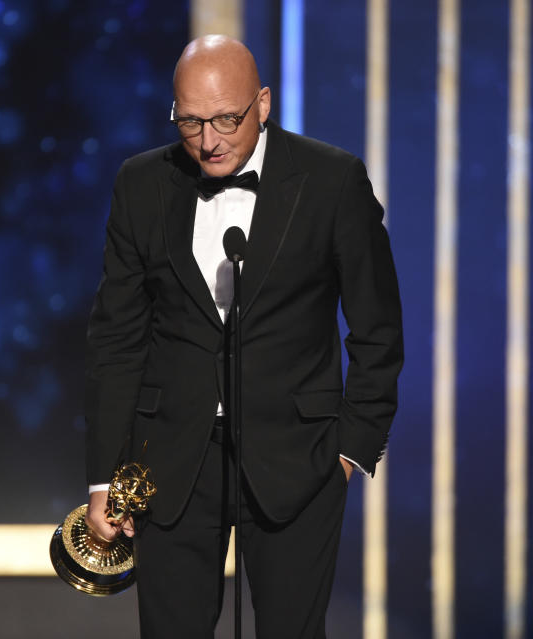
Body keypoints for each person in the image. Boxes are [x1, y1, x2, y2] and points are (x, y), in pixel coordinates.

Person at [83, 34, 403, 638]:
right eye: (191, 122)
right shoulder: (141, 184)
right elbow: (117, 340)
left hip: (300, 460)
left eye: (227, 119)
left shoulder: (332, 181)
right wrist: (104, 475)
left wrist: (349, 453)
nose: (209, 141)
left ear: (263, 103)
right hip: (169, 463)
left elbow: (378, 330)